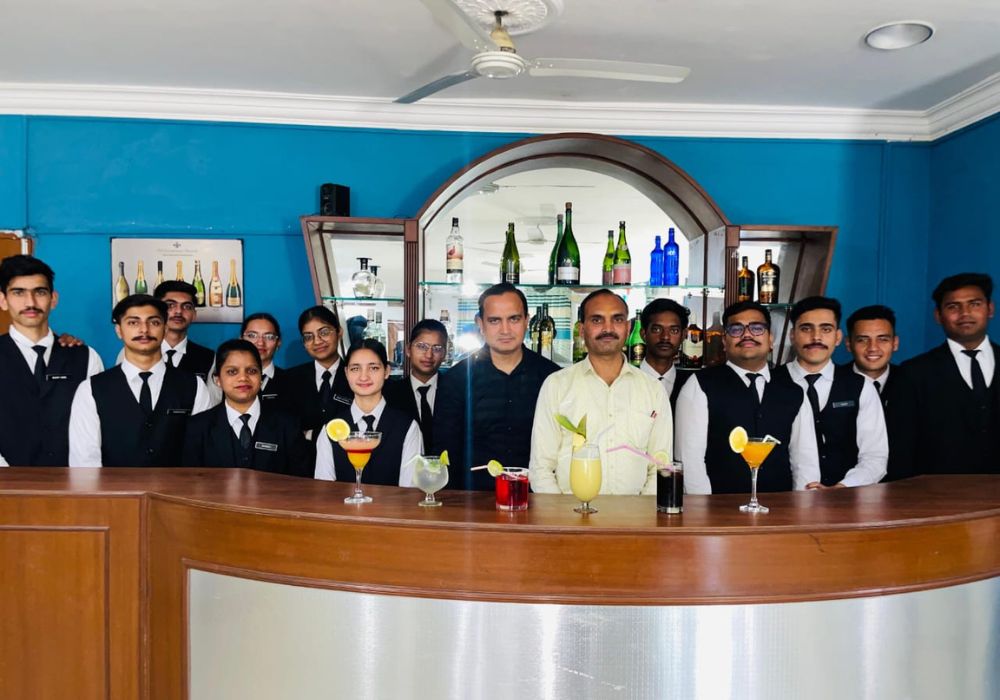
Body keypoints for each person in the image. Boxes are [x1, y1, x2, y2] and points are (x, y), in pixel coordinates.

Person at [529, 290, 672, 495]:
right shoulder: (557, 386)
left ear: (628, 328)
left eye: (617, 319)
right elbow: (541, 468)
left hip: (635, 513)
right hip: (570, 512)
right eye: (597, 320)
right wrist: (561, 512)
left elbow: (661, 466)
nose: (608, 328)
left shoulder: (653, 390)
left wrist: (640, 511)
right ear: (581, 329)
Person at [674, 301, 820, 494]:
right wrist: (704, 507)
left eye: (757, 328)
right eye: (736, 329)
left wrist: (803, 506)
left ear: (770, 340)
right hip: (720, 507)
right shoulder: (700, 384)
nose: (747, 335)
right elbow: (689, 458)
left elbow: (805, 461)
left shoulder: (793, 390)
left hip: (781, 507)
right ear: (724, 342)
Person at [433, 283, 559, 490]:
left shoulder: (551, 377)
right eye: (494, 321)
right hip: (473, 499)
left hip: (538, 497)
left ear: (526, 321)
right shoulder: (457, 379)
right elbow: (445, 453)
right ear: (480, 324)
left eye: (514, 319)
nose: (505, 330)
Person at [68, 294, 211, 467]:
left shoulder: (195, 386)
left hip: (178, 485)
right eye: (133, 323)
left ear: (165, 329)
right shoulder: (90, 389)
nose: (144, 330)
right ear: (119, 330)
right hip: (114, 485)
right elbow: (85, 461)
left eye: (154, 322)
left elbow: (202, 453)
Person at [888, 273, 1000, 478]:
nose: (965, 313)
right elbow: (901, 449)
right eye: (953, 307)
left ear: (990, 309)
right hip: (937, 493)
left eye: (975, 304)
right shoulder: (913, 373)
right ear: (938, 316)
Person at [772, 296, 887, 488]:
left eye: (825, 329)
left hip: (844, 499)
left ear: (838, 337)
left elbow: (875, 457)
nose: (816, 337)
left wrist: (842, 487)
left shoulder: (861, 387)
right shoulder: (770, 383)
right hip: (779, 499)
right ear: (792, 335)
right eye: (806, 329)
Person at [0, 255, 104, 466]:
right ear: (3, 300)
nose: (30, 302)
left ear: (53, 299)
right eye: (19, 292)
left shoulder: (86, 357)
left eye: (40, 292)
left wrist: (84, 479)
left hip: (74, 480)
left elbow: (97, 428)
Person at [182, 339, 310, 476]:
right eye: (232, 372)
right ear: (217, 379)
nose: (243, 378)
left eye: (252, 371)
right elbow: (191, 482)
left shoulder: (288, 425)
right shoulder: (198, 427)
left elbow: (300, 482)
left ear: (261, 377)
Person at [315, 339, 421, 486]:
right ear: (346, 373)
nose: (364, 377)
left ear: (386, 371)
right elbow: (324, 490)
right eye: (355, 369)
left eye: (373, 368)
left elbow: (409, 490)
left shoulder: (408, 427)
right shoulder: (331, 430)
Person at [285, 305, 352, 439]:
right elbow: (285, 427)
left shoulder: (356, 376)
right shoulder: (290, 379)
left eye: (324, 332)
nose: (317, 341)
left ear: (339, 332)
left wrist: (310, 434)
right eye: (308, 337)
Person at [384, 318, 448, 450]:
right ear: (408, 349)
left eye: (437, 348)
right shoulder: (390, 394)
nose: (429, 355)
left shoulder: (455, 391)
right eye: (422, 346)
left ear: (444, 353)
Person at [150, 281, 216, 379]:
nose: (179, 311)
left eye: (187, 307)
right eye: (170, 305)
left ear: (194, 314)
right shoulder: (138, 352)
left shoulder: (209, 357)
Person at [638, 297, 694, 409]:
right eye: (657, 329)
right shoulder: (624, 380)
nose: (665, 337)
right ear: (643, 334)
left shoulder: (693, 384)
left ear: (683, 335)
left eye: (674, 331)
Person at [845, 304, 899, 408]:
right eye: (862, 340)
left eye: (882, 339)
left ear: (895, 343)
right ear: (848, 344)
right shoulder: (832, 382)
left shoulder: (911, 382)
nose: (873, 348)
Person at [240, 312, 289, 412]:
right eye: (252, 335)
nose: (260, 343)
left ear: (278, 342)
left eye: (269, 336)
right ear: (241, 340)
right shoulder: (228, 380)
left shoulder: (292, 382)